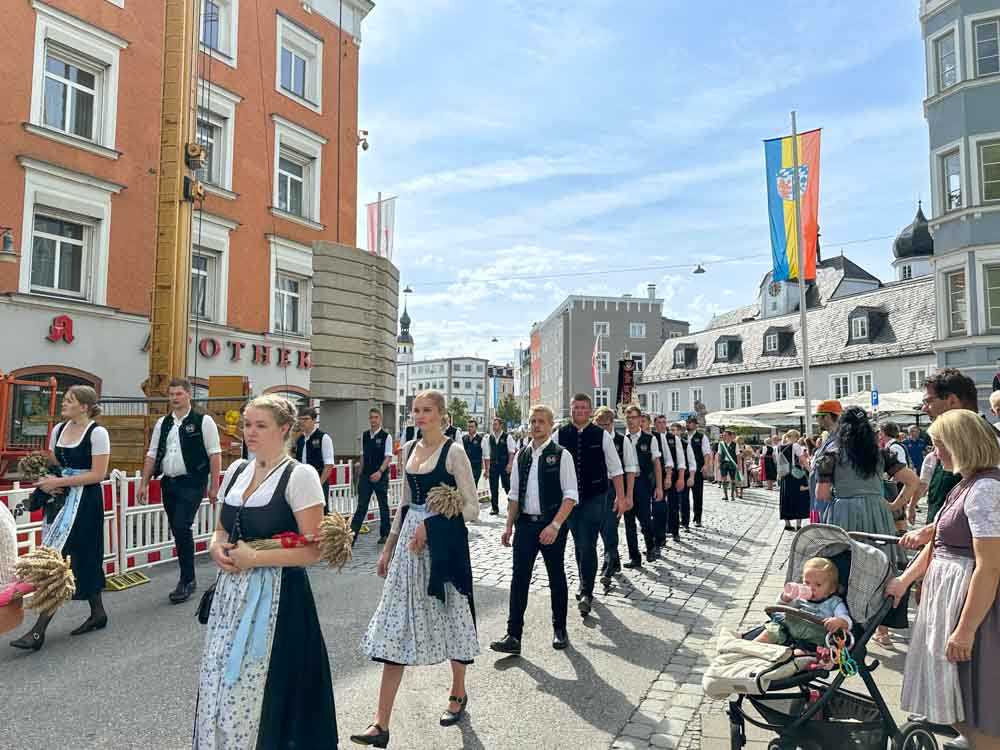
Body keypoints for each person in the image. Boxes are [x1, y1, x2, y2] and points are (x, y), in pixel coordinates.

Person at [195, 395, 336, 747]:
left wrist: (255, 558)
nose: (250, 432)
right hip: (231, 597)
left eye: (260, 425)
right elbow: (221, 528)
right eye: (246, 424)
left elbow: (314, 549)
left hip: (279, 599)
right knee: (224, 680)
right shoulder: (238, 471)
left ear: (284, 429)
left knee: (270, 687)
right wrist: (215, 546)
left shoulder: (299, 476)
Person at [354, 390, 480, 747]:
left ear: (442, 415)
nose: (420, 416)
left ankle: (458, 692)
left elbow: (472, 508)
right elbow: (406, 503)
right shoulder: (408, 449)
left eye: (427, 410)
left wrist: (434, 523)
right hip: (409, 546)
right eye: (415, 411)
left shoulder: (454, 451)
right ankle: (381, 724)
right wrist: (388, 548)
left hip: (443, 544)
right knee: (396, 622)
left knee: (451, 614)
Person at [888, 409, 1000, 749]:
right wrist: (905, 580)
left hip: (971, 609)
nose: (935, 453)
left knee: (976, 707)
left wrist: (965, 631)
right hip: (950, 601)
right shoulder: (968, 483)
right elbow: (941, 544)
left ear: (960, 443)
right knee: (955, 700)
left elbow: (990, 566)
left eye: (939, 445)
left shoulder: (985, 489)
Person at [11, 386, 111, 651]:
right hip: (61, 499)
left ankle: (38, 631)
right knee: (69, 555)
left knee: (64, 559)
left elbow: (98, 474)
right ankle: (98, 612)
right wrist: (48, 481)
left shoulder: (97, 433)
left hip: (86, 502)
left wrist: (61, 480)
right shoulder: (59, 430)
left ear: (85, 407)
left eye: (69, 401)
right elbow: (55, 463)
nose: (64, 404)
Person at [815, 406, 923, 644]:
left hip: (844, 513)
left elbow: (821, 495)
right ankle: (882, 629)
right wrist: (895, 505)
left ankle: (847, 625)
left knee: (846, 566)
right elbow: (913, 481)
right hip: (877, 513)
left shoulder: (832, 455)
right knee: (881, 565)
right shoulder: (880, 454)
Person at [490, 405, 578, 655]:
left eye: (541, 421)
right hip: (526, 525)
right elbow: (515, 495)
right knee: (519, 579)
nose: (536, 425)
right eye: (532, 421)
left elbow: (570, 496)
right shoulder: (522, 455)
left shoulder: (562, 455)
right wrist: (508, 525)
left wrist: (555, 525)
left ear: (551, 425)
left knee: (556, 577)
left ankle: (560, 629)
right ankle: (513, 635)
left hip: (552, 524)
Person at [138, 377, 221, 604]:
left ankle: (187, 580)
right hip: (169, 482)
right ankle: (187, 575)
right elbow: (152, 453)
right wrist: (144, 482)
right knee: (177, 528)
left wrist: (214, 486)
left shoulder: (203, 421)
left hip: (193, 482)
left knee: (182, 526)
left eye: (178, 394)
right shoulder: (163, 423)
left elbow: (215, 454)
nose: (174, 398)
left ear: (188, 395)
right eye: (171, 394)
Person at [554, 394, 625, 616]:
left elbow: (616, 469)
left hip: (595, 496)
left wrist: (621, 497)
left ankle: (587, 591)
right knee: (579, 544)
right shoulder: (560, 434)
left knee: (588, 543)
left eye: (584, 408)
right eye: (576, 407)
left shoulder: (602, 435)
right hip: (569, 499)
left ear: (590, 410)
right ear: (571, 409)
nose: (580, 411)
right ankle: (584, 581)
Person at [902, 369, 984, 551]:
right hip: (943, 552)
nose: (924, 408)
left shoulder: (990, 444)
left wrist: (930, 530)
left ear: (952, 400)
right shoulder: (943, 447)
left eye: (929, 401)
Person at [754, 557, 852, 645]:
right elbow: (781, 606)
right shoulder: (800, 597)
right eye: (807, 582)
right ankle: (751, 648)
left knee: (812, 647)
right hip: (789, 629)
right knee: (771, 631)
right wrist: (786, 597)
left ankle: (800, 656)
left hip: (813, 638)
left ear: (832, 588)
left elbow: (846, 618)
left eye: (818, 585)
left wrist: (839, 621)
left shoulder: (834, 603)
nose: (810, 588)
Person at [594, 406, 635, 584]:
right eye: (599, 425)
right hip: (596, 489)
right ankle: (614, 560)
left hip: (614, 489)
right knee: (600, 528)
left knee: (610, 527)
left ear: (612, 423)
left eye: (606, 425)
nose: (603, 428)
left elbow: (630, 470)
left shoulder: (621, 441)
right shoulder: (593, 440)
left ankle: (607, 567)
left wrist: (627, 496)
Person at [622, 407, 663, 568]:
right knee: (629, 522)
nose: (631, 421)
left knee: (645, 519)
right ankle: (634, 557)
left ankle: (651, 547)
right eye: (628, 418)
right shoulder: (622, 438)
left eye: (633, 417)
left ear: (640, 420)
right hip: (626, 483)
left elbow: (657, 464)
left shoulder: (649, 439)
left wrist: (659, 487)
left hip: (643, 483)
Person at [352, 408, 395, 546]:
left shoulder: (386, 436)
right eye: (371, 417)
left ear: (380, 419)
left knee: (383, 505)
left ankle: (385, 534)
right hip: (366, 475)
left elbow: (388, 457)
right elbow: (363, 455)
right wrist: (360, 471)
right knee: (361, 506)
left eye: (376, 417)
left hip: (380, 475)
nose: (373, 420)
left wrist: (380, 472)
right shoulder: (364, 435)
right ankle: (351, 536)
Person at [295, 407, 335, 513]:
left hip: (318, 480)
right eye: (301, 419)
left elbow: (329, 465)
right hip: (302, 481)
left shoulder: (324, 438)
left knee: (320, 512)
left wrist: (319, 483)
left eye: (306, 419)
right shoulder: (300, 440)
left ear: (314, 420)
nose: (302, 422)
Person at [809, 401, 843, 522]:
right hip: (821, 500)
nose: (817, 420)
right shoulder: (829, 436)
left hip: (830, 501)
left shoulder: (840, 437)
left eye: (817, 416)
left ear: (827, 416)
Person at [663, 421, 696, 541]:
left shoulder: (685, 444)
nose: (674, 433)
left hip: (683, 475)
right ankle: (668, 526)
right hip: (669, 476)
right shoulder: (664, 441)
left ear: (681, 432)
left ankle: (685, 522)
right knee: (668, 503)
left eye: (676, 430)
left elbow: (692, 462)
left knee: (683, 501)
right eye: (672, 430)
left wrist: (691, 477)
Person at [777, 429, 809, 532]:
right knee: (799, 497)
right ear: (795, 437)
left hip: (784, 475)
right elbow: (802, 460)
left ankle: (787, 523)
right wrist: (810, 470)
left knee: (786, 497)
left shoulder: (780, 447)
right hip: (795, 475)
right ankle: (798, 524)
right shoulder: (795, 446)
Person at [484, 418, 516, 517]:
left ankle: (512, 505)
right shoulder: (489, 437)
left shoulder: (507, 437)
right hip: (493, 465)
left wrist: (510, 464)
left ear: (500, 425)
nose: (494, 426)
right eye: (493, 424)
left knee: (507, 486)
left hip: (504, 465)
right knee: (493, 487)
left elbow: (511, 452)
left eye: (495, 424)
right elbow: (487, 454)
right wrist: (487, 469)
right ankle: (494, 508)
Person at [685, 417, 713, 527]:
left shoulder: (701, 437)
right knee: (684, 496)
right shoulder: (683, 436)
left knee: (697, 495)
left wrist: (706, 465)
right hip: (685, 469)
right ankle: (685, 519)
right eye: (687, 423)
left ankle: (697, 517)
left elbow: (706, 452)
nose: (688, 424)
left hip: (697, 469)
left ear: (696, 425)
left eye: (690, 423)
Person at [716, 430, 739, 501]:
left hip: (732, 463)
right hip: (723, 463)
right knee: (724, 479)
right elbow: (719, 454)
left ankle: (732, 495)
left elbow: (737, 455)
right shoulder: (721, 444)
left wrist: (738, 464)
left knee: (733, 479)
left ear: (730, 436)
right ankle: (725, 495)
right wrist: (718, 463)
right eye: (723, 435)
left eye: (725, 435)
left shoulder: (735, 444)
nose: (724, 436)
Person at [462, 419, 485, 490]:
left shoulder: (481, 439)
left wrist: (486, 470)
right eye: (468, 426)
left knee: (473, 485)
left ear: (476, 428)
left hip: (476, 466)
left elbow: (485, 455)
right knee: (465, 486)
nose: (469, 428)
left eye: (472, 426)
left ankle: (473, 500)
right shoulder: (464, 438)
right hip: (465, 466)